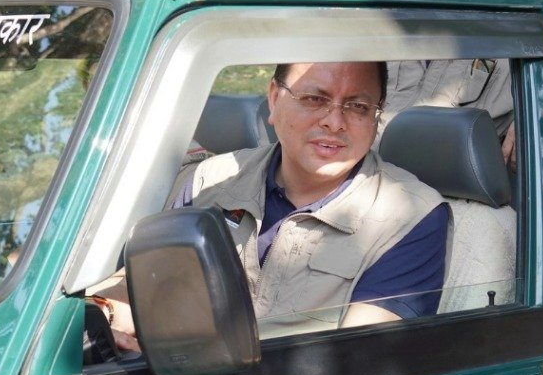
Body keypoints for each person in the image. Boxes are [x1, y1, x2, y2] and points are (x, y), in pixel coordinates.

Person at [96, 61, 449, 349]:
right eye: (315, 98)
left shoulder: (409, 215)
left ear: (376, 116)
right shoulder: (210, 180)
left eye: (358, 106)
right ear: (274, 98)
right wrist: (103, 313)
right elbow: (145, 281)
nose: (334, 121)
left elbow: (360, 361)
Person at [382, 0, 515, 162]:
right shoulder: (378, 24)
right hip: (361, 177)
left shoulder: (515, 41)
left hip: (449, 185)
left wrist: (538, 120)